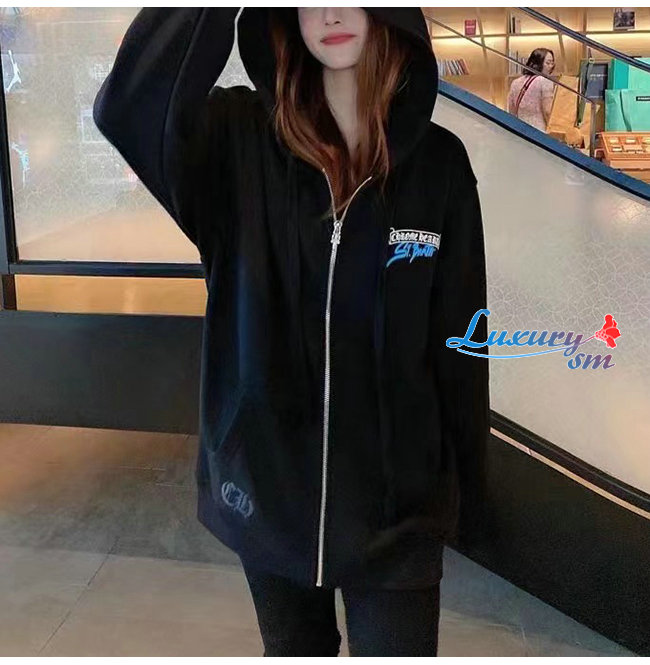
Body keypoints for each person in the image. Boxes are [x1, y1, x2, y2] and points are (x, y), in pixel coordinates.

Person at [93, 7, 490, 657]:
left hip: (399, 516)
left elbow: (460, 342)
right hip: (267, 492)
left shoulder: (439, 164)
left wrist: (469, 496)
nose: (329, 12)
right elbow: (128, 107)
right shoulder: (235, 140)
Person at [507, 47, 556, 132]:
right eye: (548, 63)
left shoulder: (515, 82)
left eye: (552, 63)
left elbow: (511, 111)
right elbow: (547, 111)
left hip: (519, 130)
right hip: (538, 131)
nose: (550, 66)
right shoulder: (544, 81)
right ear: (538, 63)